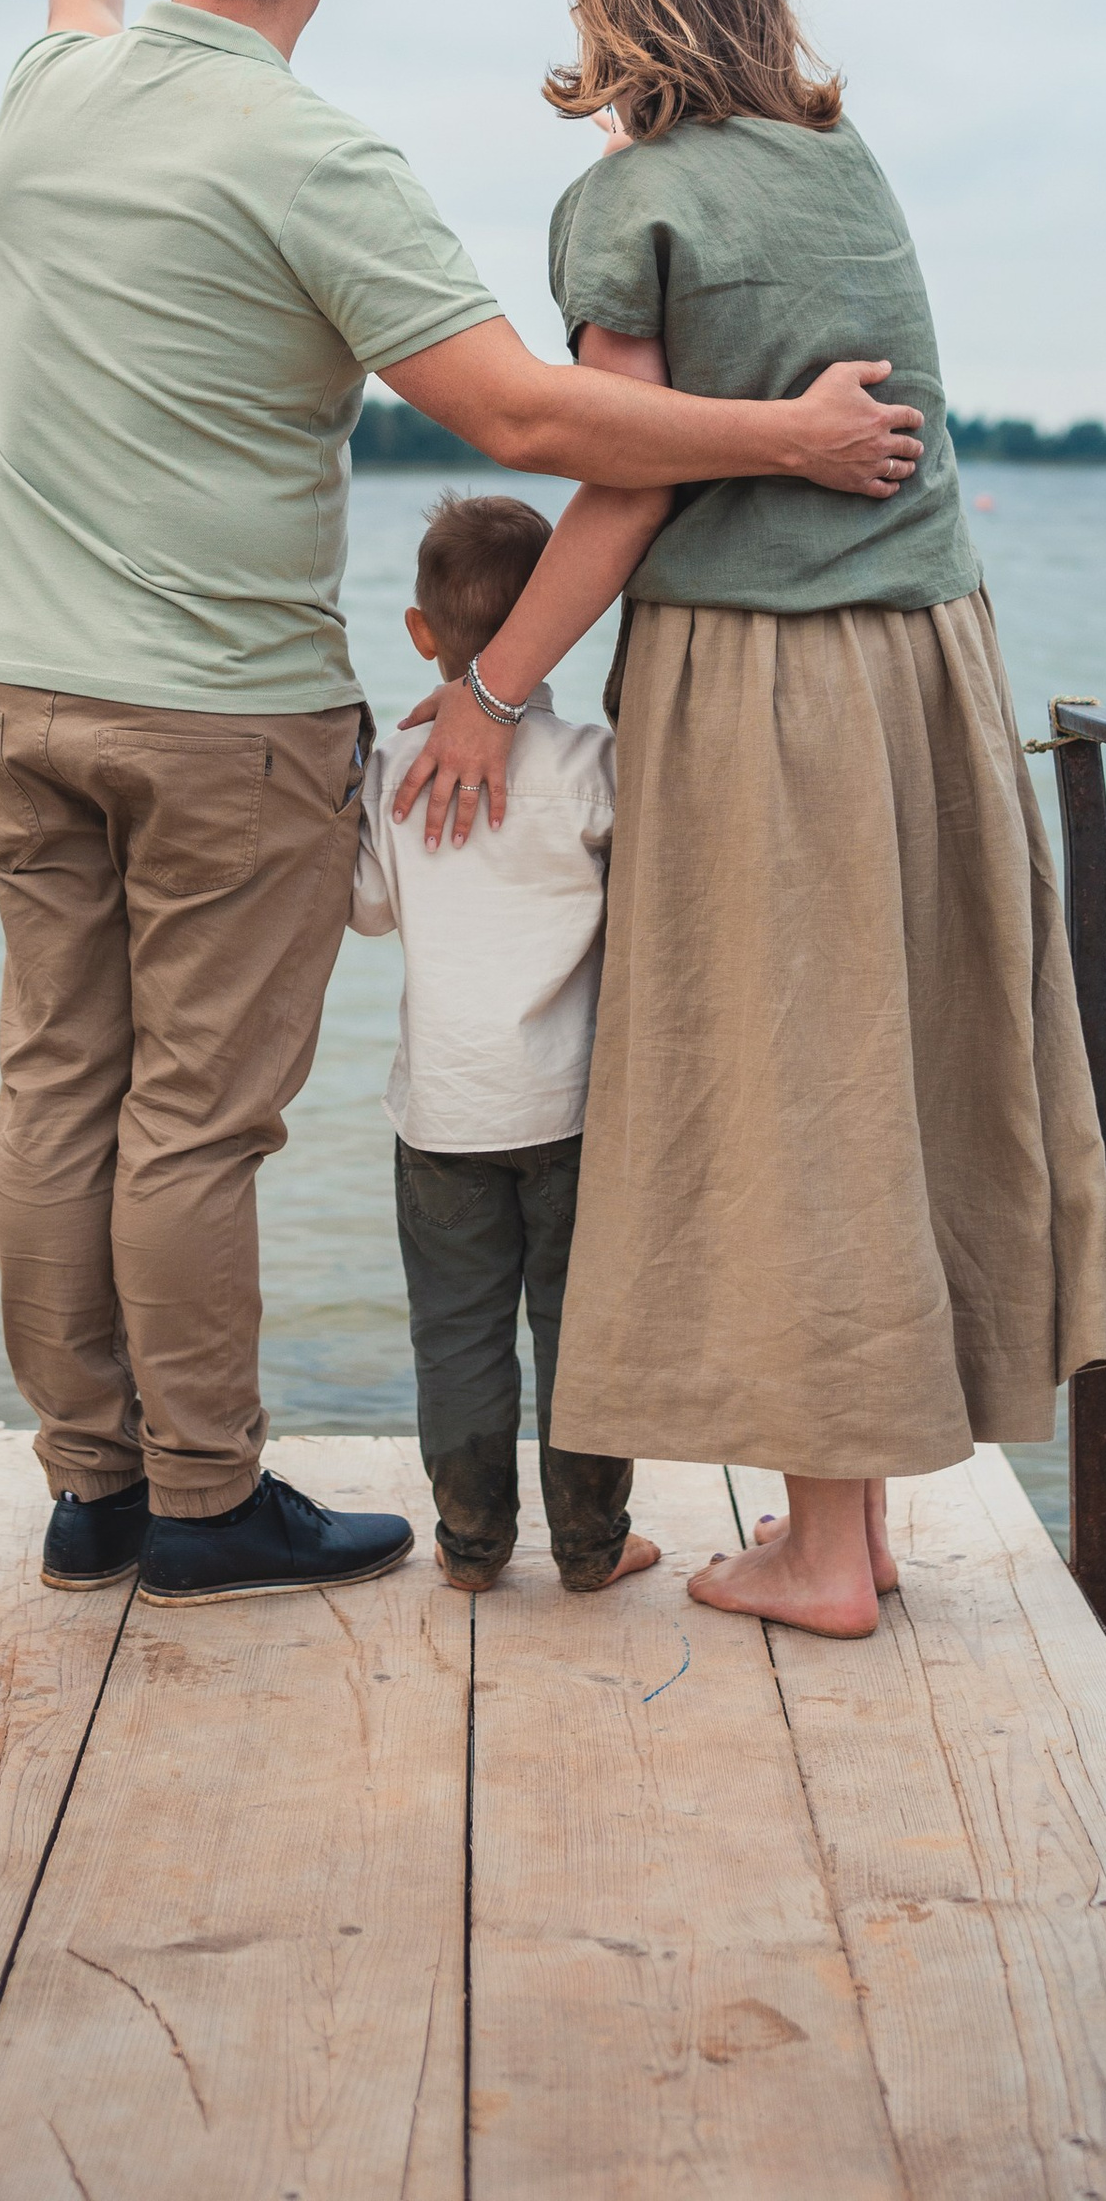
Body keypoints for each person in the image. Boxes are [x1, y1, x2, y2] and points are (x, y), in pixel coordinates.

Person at [0, 0, 929, 1608]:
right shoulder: (317, 158)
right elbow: (534, 425)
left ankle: (86, 1488)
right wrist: (788, 437)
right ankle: (196, 1504)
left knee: (53, 1084)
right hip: (214, 711)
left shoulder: (48, 92)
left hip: (18, 686)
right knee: (190, 1118)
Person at [396, 0, 1106, 1638]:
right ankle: (852, 1527)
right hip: (932, 658)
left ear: (613, 28)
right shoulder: (842, 160)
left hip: (766, 678)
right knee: (893, 1067)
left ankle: (819, 1555)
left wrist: (495, 683)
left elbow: (624, 473)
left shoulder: (626, 202)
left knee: (797, 1083)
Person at [348, 493, 656, 1598]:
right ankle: (591, 1546)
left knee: (457, 1335)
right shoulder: (591, 764)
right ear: (563, 621)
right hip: (572, 1110)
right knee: (580, 1336)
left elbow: (370, 913)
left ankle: (473, 1548)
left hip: (440, 1112)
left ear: (420, 633)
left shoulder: (392, 767)